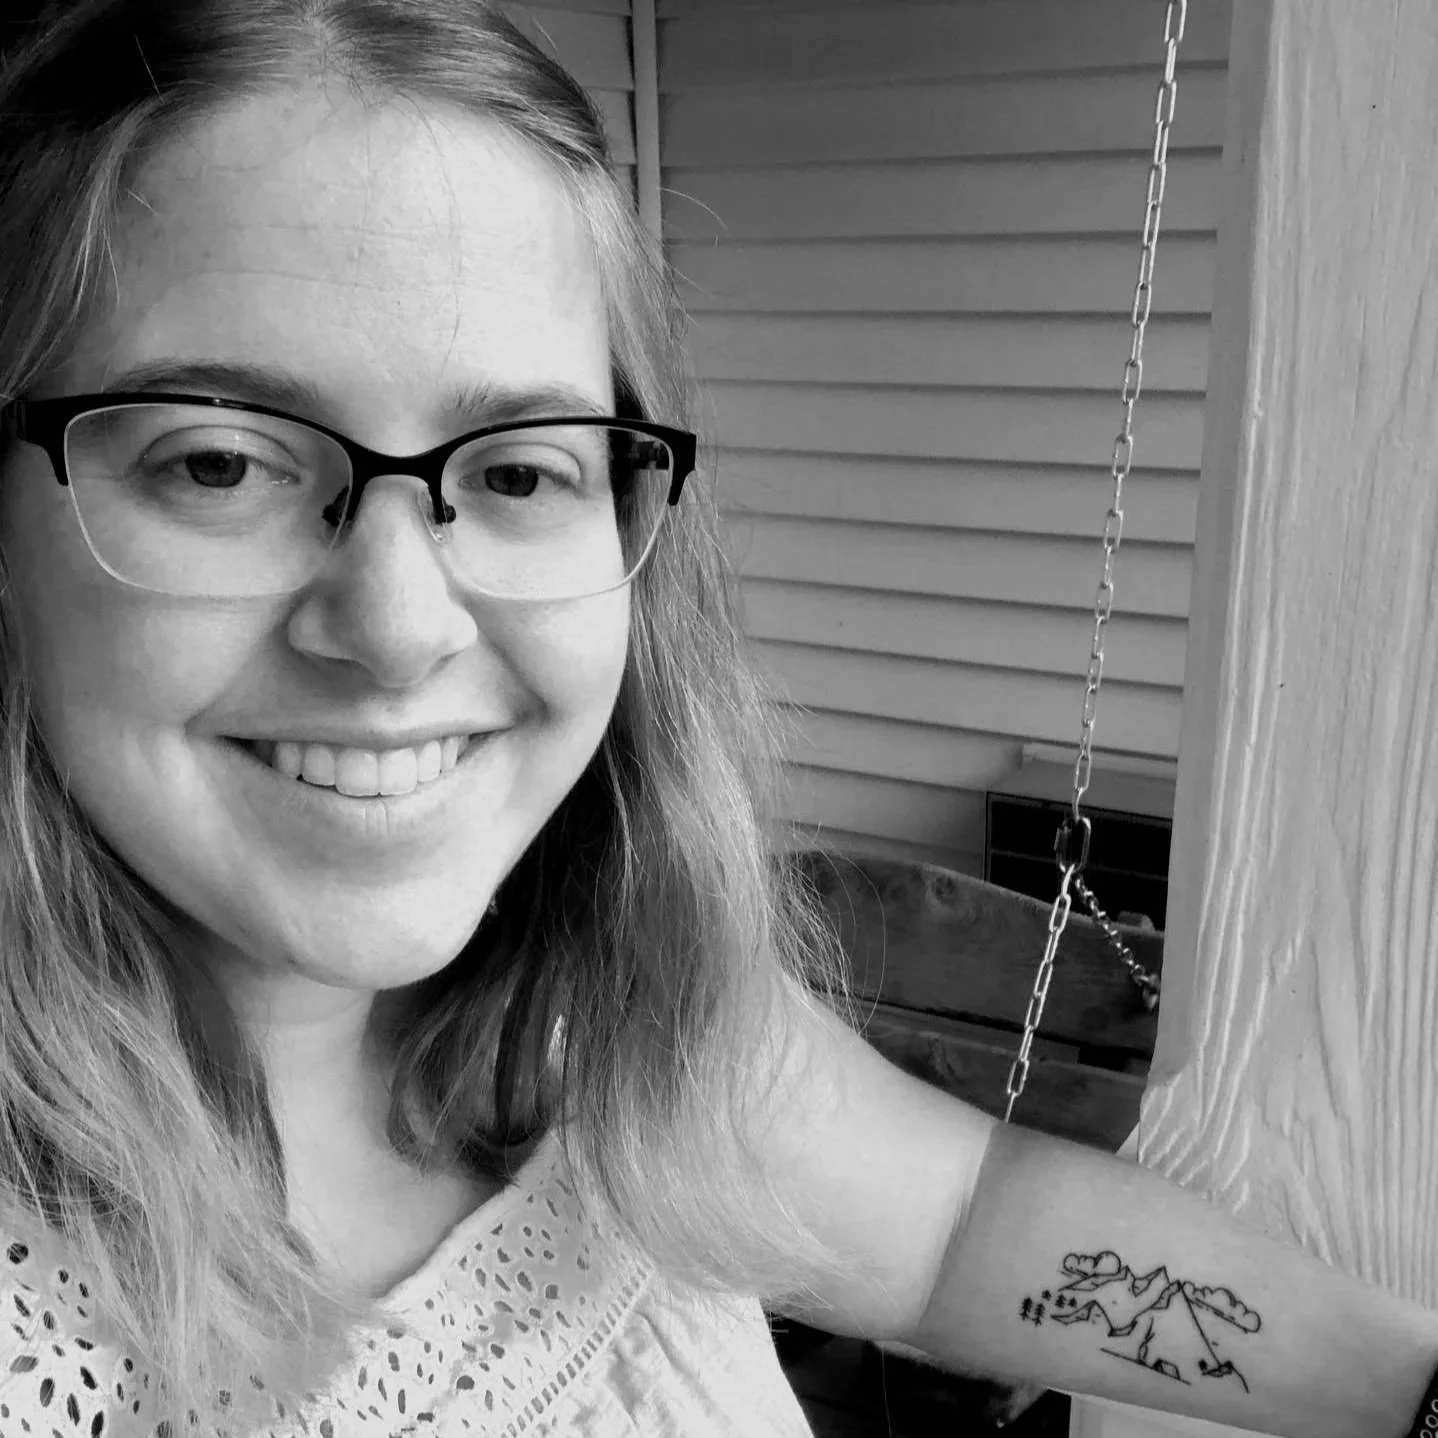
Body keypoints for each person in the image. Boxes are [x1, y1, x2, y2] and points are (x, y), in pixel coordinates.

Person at [0, 3, 1434, 1436]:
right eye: (216, 462)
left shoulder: (608, 1015)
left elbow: (957, 1230)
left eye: (518, 472)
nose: (400, 626)